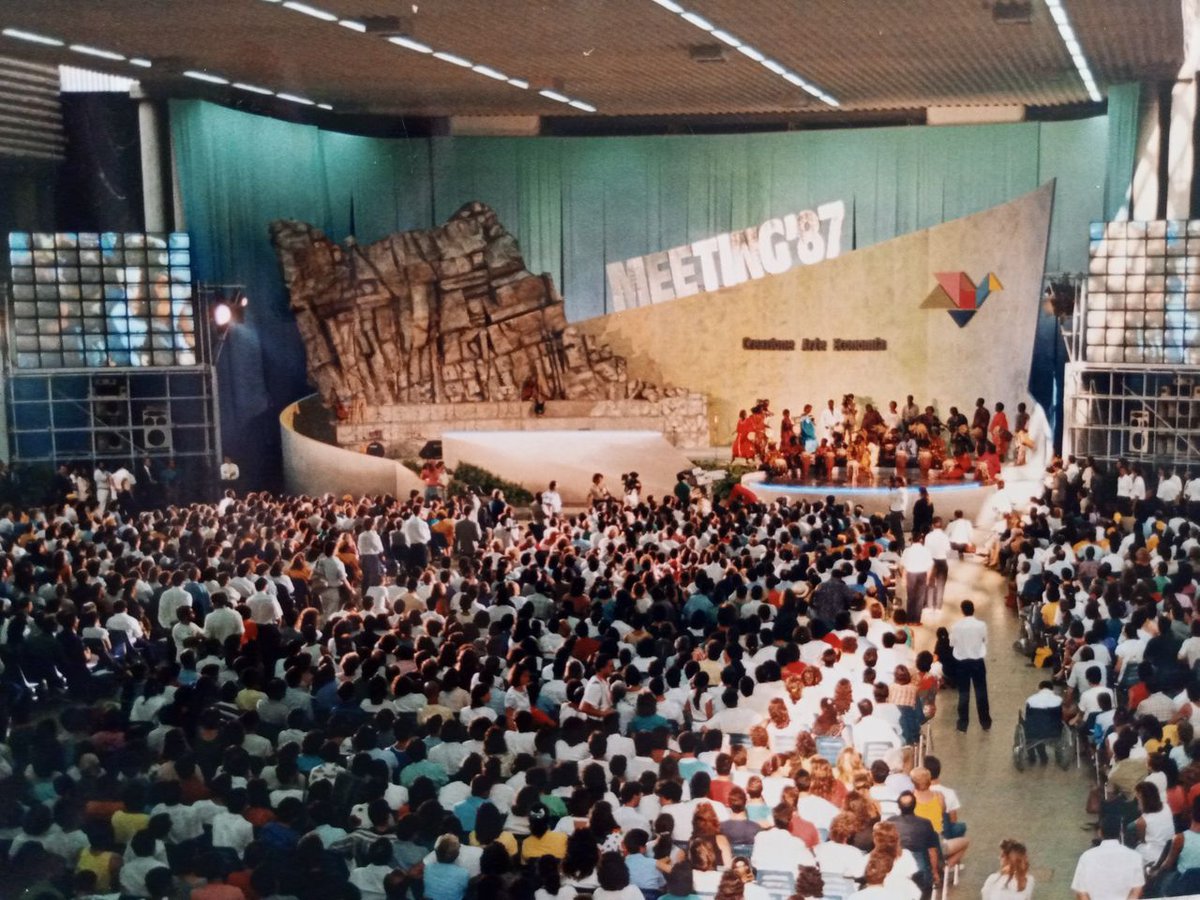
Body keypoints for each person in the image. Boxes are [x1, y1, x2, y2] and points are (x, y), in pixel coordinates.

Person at [1070, 816, 1144, 900]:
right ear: (1120, 833)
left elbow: (1081, 892)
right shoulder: (1135, 857)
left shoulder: (1086, 857)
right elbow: (1136, 891)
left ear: (1100, 833)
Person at [949, 600, 990, 731]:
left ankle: (963, 722)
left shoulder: (956, 626)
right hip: (977, 661)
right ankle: (985, 721)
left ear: (962, 611)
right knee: (981, 691)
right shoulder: (981, 625)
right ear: (973, 609)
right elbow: (984, 640)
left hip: (961, 662)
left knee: (963, 693)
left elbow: (952, 643)